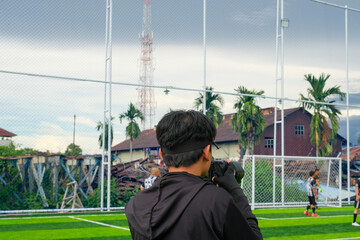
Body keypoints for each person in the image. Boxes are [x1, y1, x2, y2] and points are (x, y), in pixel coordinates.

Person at [125, 110, 262, 240]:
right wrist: (235, 191)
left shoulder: (135, 204)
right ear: (206, 152)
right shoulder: (217, 201)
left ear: (161, 154)